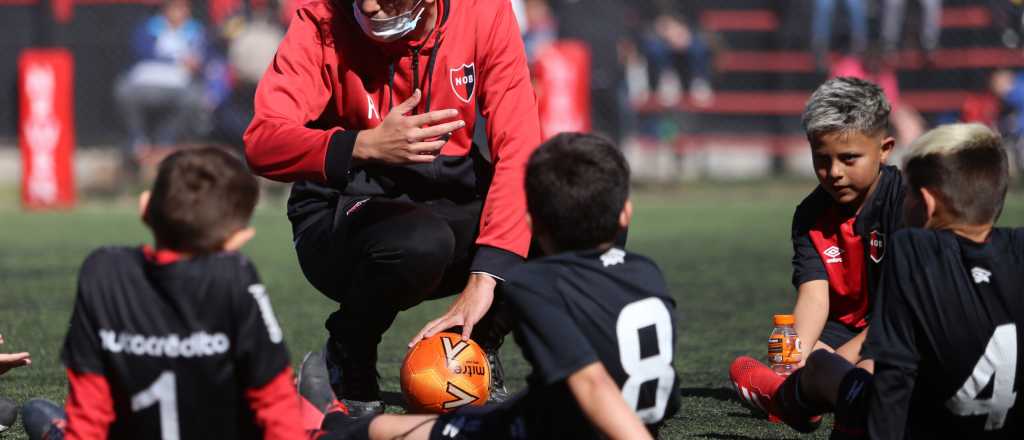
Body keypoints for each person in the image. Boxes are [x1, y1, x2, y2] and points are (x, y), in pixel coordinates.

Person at [243, 0, 543, 416]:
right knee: (421, 241)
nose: (368, 5)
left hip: (448, 201)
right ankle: (349, 354)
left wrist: (488, 273)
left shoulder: (485, 12)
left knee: (568, 213)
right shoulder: (321, 18)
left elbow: (522, 146)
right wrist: (363, 145)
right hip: (343, 212)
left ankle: (474, 347)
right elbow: (261, 141)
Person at [313, 132, 679, 440]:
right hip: (641, 415)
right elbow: (667, 391)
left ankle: (335, 425)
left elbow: (592, 386)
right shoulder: (646, 270)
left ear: (532, 223)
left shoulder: (536, 284)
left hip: (563, 428)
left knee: (452, 428)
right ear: (625, 213)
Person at [732, 123, 1023, 439]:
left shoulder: (914, 250)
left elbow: (891, 371)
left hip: (914, 422)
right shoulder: (1016, 248)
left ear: (925, 204)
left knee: (827, 366)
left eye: (907, 192)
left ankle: (785, 396)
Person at [21, 148, 306, 440]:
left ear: (144, 208)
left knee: (39, 414)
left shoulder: (102, 273)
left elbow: (90, 408)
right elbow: (275, 402)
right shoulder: (237, 277)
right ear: (237, 240)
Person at [730, 77, 904, 418]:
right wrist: (794, 362)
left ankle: (799, 397)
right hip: (842, 331)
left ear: (884, 149)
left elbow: (901, 310)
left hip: (896, 327)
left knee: (876, 364)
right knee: (792, 349)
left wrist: (831, 366)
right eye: (822, 159)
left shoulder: (906, 204)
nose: (834, 172)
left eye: (849, 158)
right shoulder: (809, 215)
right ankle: (803, 392)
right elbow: (814, 297)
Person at [114, 0, 207, 168]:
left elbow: (203, 58)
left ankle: (165, 141)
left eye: (183, 8)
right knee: (124, 91)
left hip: (180, 83)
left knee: (194, 99)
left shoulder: (196, 31)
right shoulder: (148, 28)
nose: (179, 12)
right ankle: (138, 140)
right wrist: (175, 60)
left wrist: (195, 64)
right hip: (148, 79)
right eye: (174, 8)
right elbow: (140, 52)